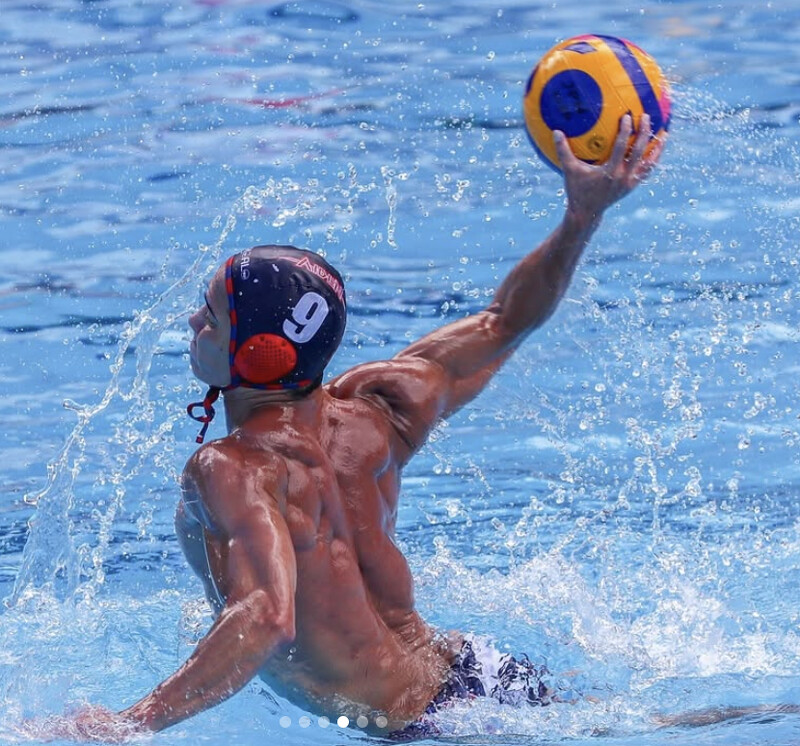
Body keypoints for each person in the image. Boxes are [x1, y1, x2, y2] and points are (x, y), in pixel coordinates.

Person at [45, 115, 658, 742]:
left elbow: (266, 618)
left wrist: (129, 723)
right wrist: (581, 218)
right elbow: (503, 322)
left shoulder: (231, 467)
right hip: (479, 674)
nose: (191, 323)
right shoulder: (378, 408)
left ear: (259, 355)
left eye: (211, 316)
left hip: (430, 731)